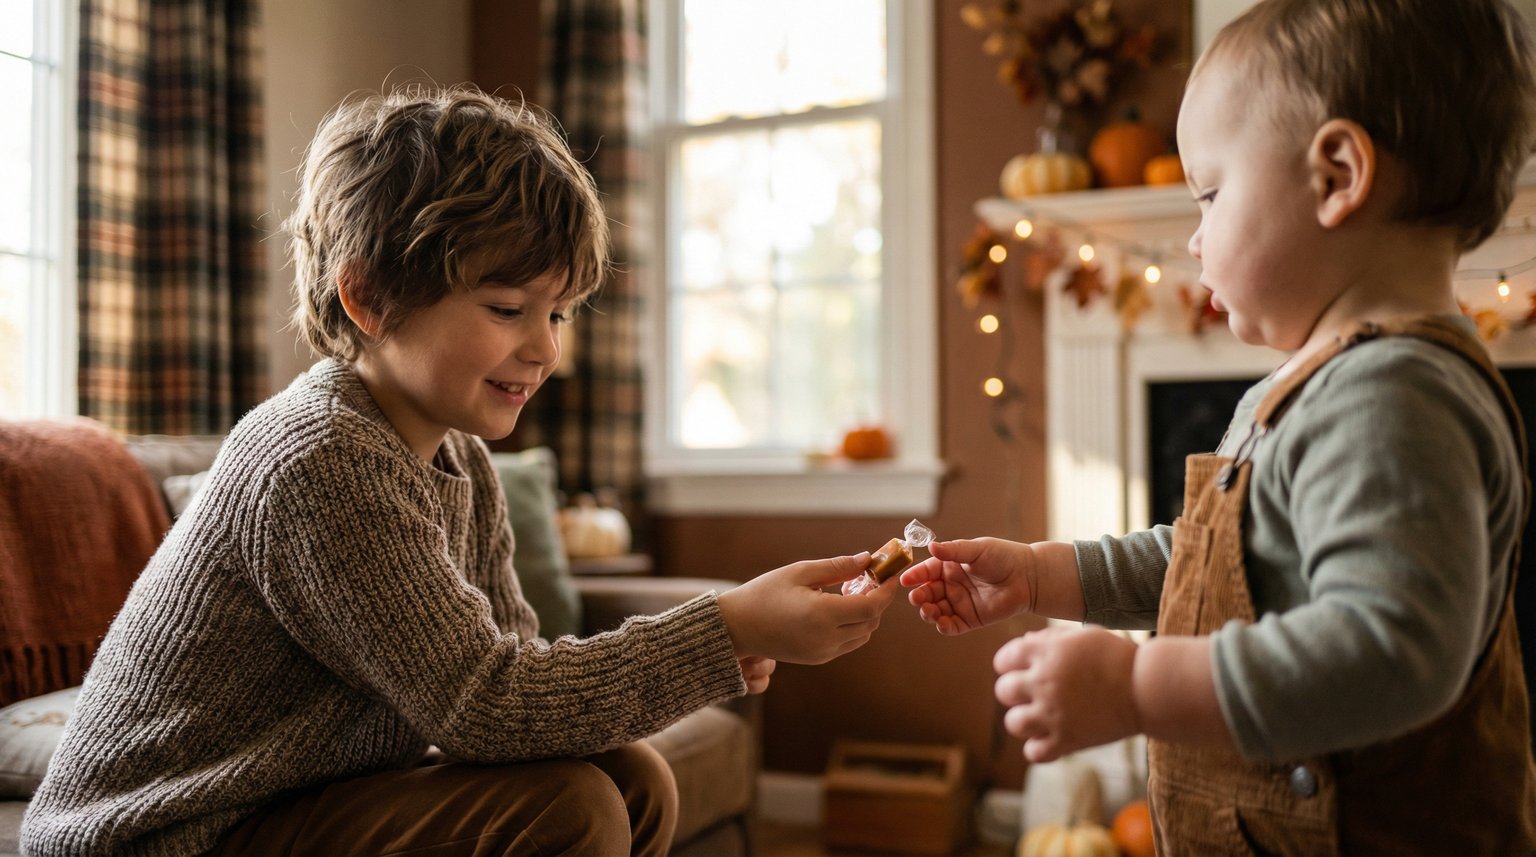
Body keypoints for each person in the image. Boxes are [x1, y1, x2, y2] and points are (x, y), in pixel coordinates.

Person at [21, 84, 897, 857]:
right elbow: (485, 705)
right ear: (367, 297)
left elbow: (513, 666)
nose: (545, 347)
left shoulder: (462, 461)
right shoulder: (319, 456)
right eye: (508, 307)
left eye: (558, 312)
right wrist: (721, 626)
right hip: (169, 831)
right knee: (571, 809)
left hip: (282, 803)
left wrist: (725, 642)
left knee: (630, 778)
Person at [902, 0, 1536, 852]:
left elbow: (1389, 649)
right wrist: (1041, 575)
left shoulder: (1394, 396)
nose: (1193, 240)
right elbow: (1218, 567)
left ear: (1337, 175)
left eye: (1209, 193)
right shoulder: (1316, 385)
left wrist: (1136, 685)